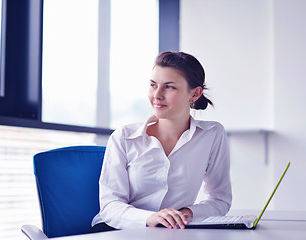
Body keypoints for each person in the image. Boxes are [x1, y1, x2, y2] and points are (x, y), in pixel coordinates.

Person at [90, 51, 232, 233]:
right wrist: (150, 218)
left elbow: (220, 200)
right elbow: (110, 206)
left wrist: (186, 213)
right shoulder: (124, 137)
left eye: (169, 87)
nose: (157, 95)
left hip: (172, 231)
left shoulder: (212, 135)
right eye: (153, 85)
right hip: (118, 230)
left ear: (195, 94)